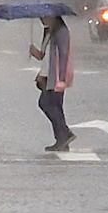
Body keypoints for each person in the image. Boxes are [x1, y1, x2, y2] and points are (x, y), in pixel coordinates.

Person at [30, 16, 75, 152]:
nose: (42, 20)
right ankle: (61, 140)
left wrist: (61, 78)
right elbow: (44, 56)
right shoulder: (48, 31)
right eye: (40, 18)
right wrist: (34, 52)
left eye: (45, 17)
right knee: (55, 106)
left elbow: (63, 54)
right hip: (48, 75)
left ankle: (65, 134)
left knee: (46, 103)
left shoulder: (62, 31)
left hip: (57, 75)